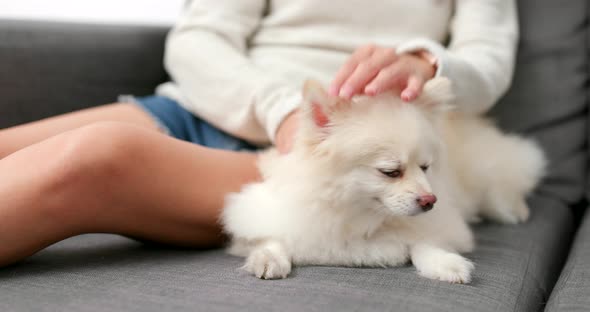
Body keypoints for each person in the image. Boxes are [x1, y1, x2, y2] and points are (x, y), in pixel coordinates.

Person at [0, 0, 517, 267]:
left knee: (96, 158)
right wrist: (281, 111)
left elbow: (488, 64)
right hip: (208, 107)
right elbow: (198, 39)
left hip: (310, 159)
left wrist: (425, 61)